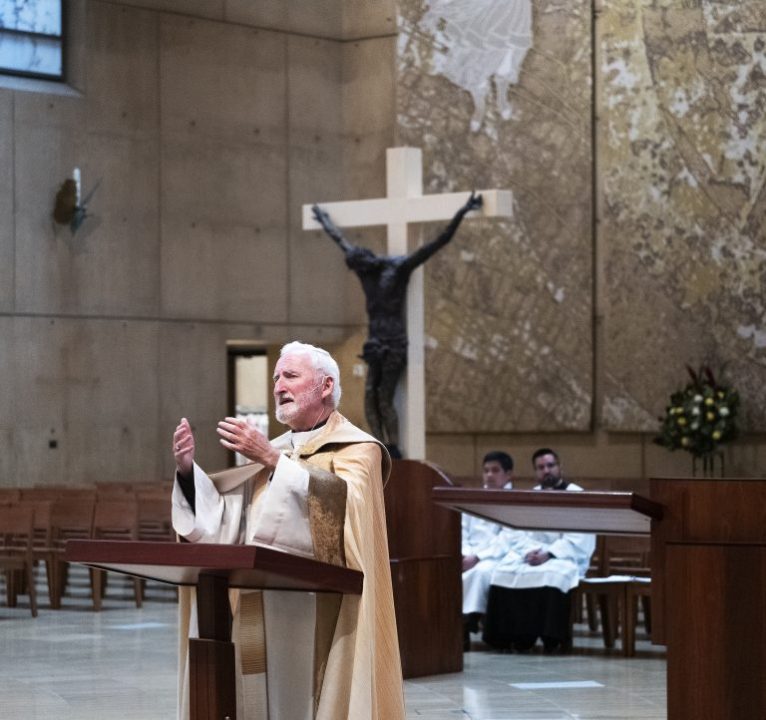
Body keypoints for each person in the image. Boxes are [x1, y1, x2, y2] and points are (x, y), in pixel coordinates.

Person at [171, 341, 405, 720]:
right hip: (259, 600)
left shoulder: (360, 449)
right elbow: (232, 521)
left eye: (290, 376)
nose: (278, 385)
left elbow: (348, 511)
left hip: (318, 607)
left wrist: (271, 459)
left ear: (326, 386)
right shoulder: (273, 451)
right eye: (276, 376)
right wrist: (187, 475)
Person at [312, 192, 483, 458]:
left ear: (367, 257)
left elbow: (437, 244)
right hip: (374, 342)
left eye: (359, 264)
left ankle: (393, 445)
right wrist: (323, 220)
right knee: (369, 396)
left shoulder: (399, 267)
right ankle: (379, 444)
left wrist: (462, 212)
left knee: (384, 398)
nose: (358, 269)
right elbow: (340, 241)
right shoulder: (363, 269)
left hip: (393, 342)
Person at [482, 448, 595, 653]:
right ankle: (513, 638)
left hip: (563, 556)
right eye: (541, 467)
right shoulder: (530, 495)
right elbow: (518, 532)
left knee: (553, 575)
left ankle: (551, 638)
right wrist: (530, 551)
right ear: (535, 471)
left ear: (560, 467)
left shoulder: (576, 495)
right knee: (503, 573)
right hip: (533, 555)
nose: (546, 471)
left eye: (550, 466)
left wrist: (549, 554)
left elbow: (580, 536)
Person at [461, 450, 517, 649]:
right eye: (486, 471)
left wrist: (478, 557)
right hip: (468, 556)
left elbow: (507, 538)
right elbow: (463, 530)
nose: (490, 475)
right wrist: (466, 553)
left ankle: (466, 622)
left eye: (495, 470)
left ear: (508, 474)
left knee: (481, 573)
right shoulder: (473, 498)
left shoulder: (514, 500)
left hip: (497, 557)